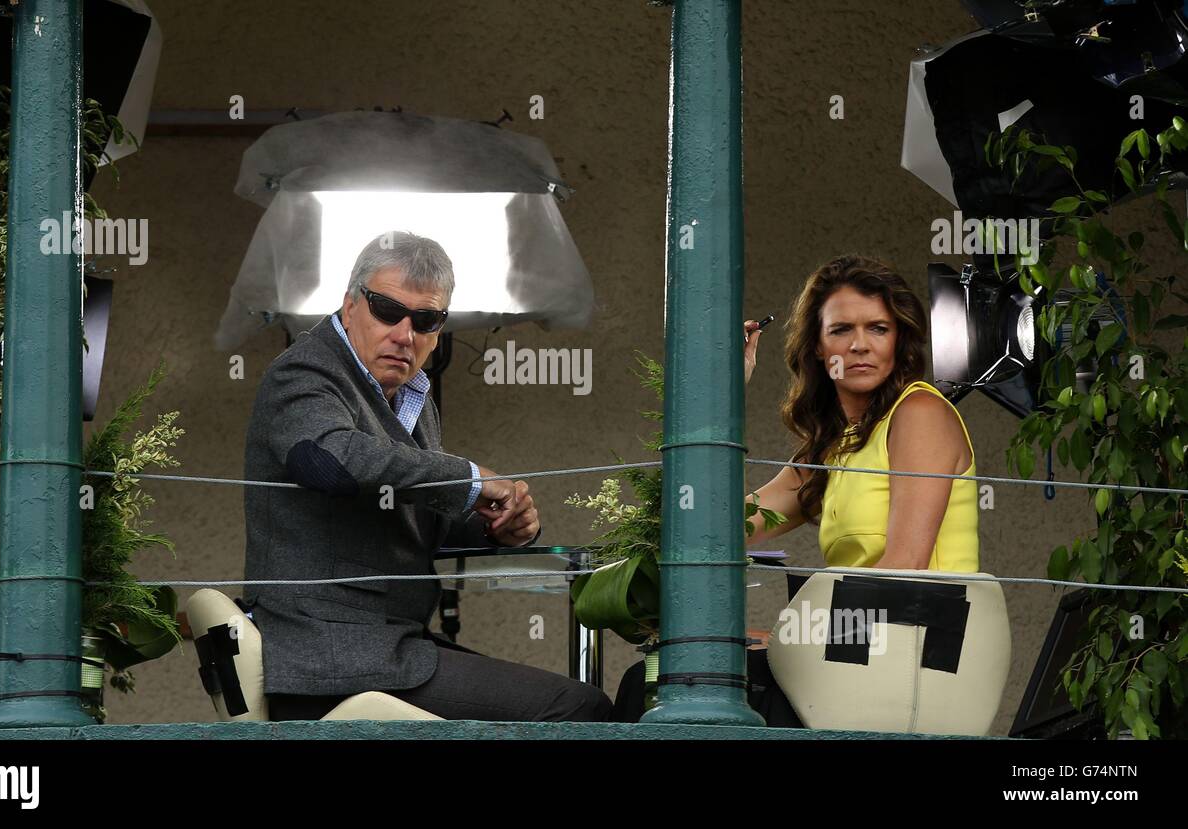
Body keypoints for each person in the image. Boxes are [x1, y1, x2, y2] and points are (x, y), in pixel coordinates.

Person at [244, 230, 612, 722]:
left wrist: (495, 523)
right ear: (349, 304)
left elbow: (412, 510)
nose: (404, 333)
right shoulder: (306, 372)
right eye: (387, 310)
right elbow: (329, 460)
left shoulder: (413, 397)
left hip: (388, 650)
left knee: (577, 701)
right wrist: (469, 481)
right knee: (579, 708)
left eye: (425, 319)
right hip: (327, 661)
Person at [612, 254, 978, 724]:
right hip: (856, 649)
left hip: (919, 647)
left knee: (704, 684)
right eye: (841, 330)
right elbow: (713, 532)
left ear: (900, 339)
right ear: (818, 349)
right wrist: (721, 394)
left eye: (879, 329)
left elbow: (903, 570)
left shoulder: (918, 413)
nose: (861, 345)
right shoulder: (829, 450)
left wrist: (789, 638)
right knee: (652, 678)